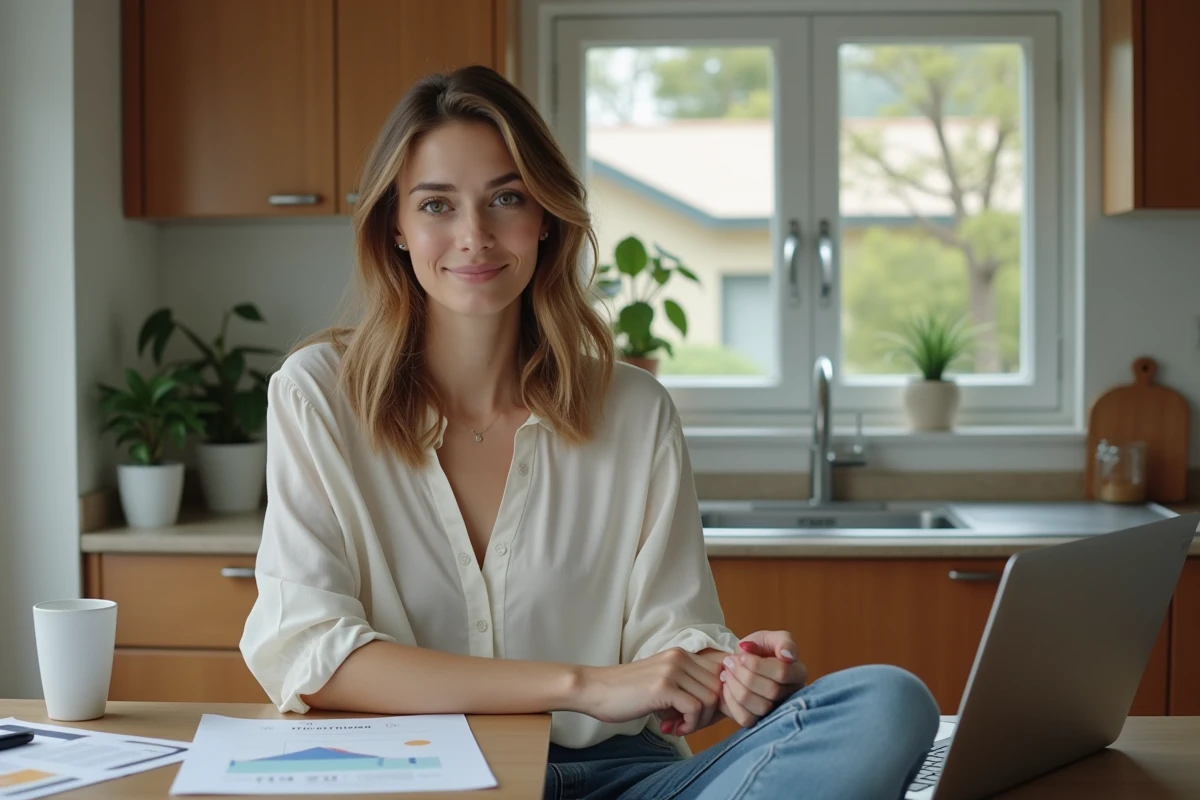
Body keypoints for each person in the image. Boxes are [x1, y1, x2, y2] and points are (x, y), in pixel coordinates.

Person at [240, 65, 939, 800]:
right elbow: (310, 653)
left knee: (888, 704)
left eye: (506, 198)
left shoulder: (635, 409)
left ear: (545, 215)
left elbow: (673, 636)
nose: (474, 236)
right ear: (397, 228)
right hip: (429, 780)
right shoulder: (319, 394)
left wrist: (732, 674)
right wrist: (585, 685)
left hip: (628, 780)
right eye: (437, 204)